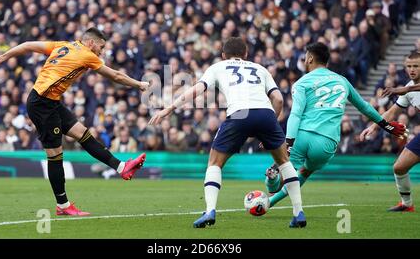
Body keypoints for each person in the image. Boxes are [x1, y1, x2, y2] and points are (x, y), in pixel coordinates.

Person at [0, 27, 149, 216]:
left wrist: (4, 56)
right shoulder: (87, 55)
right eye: (101, 47)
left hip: (50, 101)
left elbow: (29, 45)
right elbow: (116, 76)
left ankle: (122, 167)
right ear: (91, 43)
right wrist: (139, 84)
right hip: (42, 104)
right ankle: (63, 205)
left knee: (82, 133)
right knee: (55, 155)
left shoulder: (63, 46)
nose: (101, 52)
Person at [149, 37, 306, 228]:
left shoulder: (218, 67)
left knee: (214, 163)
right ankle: (298, 213)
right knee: (284, 162)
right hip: (266, 114)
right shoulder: (260, 69)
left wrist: (169, 108)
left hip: (239, 114)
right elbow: (278, 99)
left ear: (223, 55)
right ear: (246, 54)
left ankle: (210, 211)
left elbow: (195, 91)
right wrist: (270, 125)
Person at [264, 43, 407, 209]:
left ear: (309, 58)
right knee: (305, 171)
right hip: (327, 141)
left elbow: (295, 114)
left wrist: (288, 143)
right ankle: (269, 203)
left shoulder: (301, 83)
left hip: (302, 136)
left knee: (280, 177)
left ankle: (271, 179)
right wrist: (386, 126)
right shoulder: (342, 81)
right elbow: (365, 107)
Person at [361, 51, 420, 212]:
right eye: (409, 66)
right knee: (399, 167)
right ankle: (406, 204)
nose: (412, 69)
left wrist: (404, 90)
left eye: (416, 66)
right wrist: (373, 127)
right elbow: (392, 111)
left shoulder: (408, 89)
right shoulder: (408, 88)